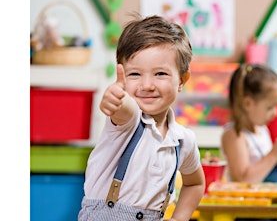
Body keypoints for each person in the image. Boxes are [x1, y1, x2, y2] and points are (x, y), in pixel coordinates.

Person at [78, 15, 205, 221]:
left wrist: (179, 218)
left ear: (182, 80)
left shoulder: (183, 141)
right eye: (135, 74)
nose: (147, 85)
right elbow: (124, 109)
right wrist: (115, 100)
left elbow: (195, 183)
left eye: (160, 74)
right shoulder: (128, 122)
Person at [220, 63, 277, 221]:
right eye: (270, 107)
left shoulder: (262, 130)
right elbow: (243, 180)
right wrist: (273, 155)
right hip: (248, 213)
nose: (276, 113)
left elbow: (267, 170)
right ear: (248, 103)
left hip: (268, 208)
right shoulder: (234, 135)